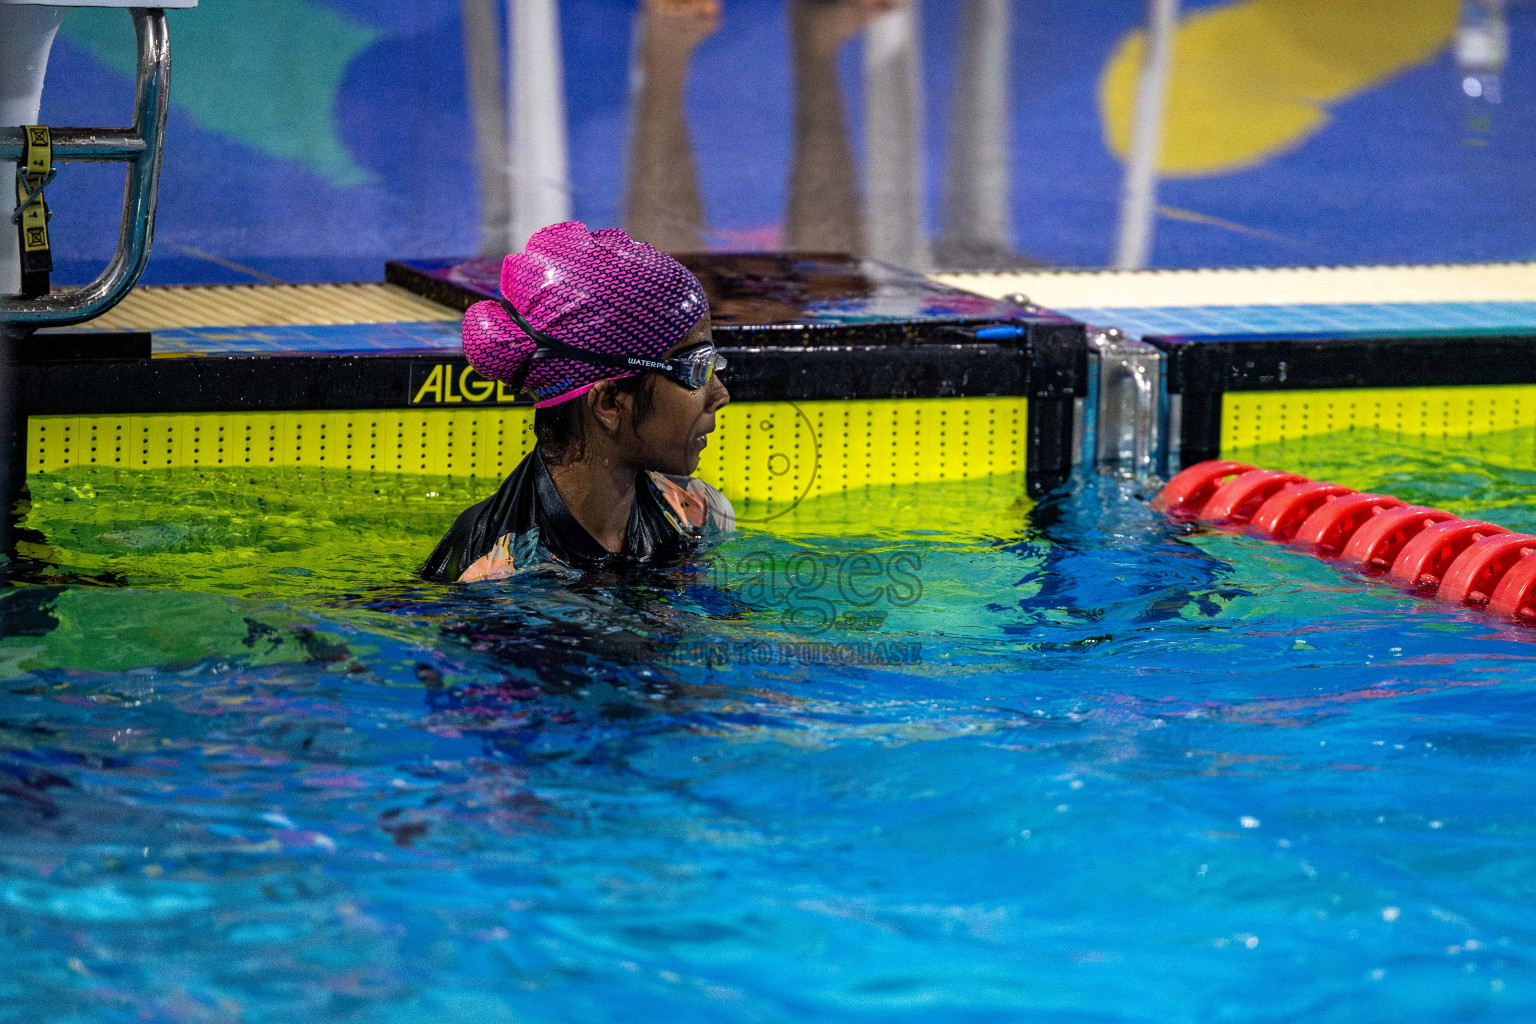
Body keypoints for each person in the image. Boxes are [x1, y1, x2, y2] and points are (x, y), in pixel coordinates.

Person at [421, 221, 735, 584]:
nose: (720, 394)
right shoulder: (499, 571)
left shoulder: (696, 516)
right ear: (610, 405)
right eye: (695, 368)